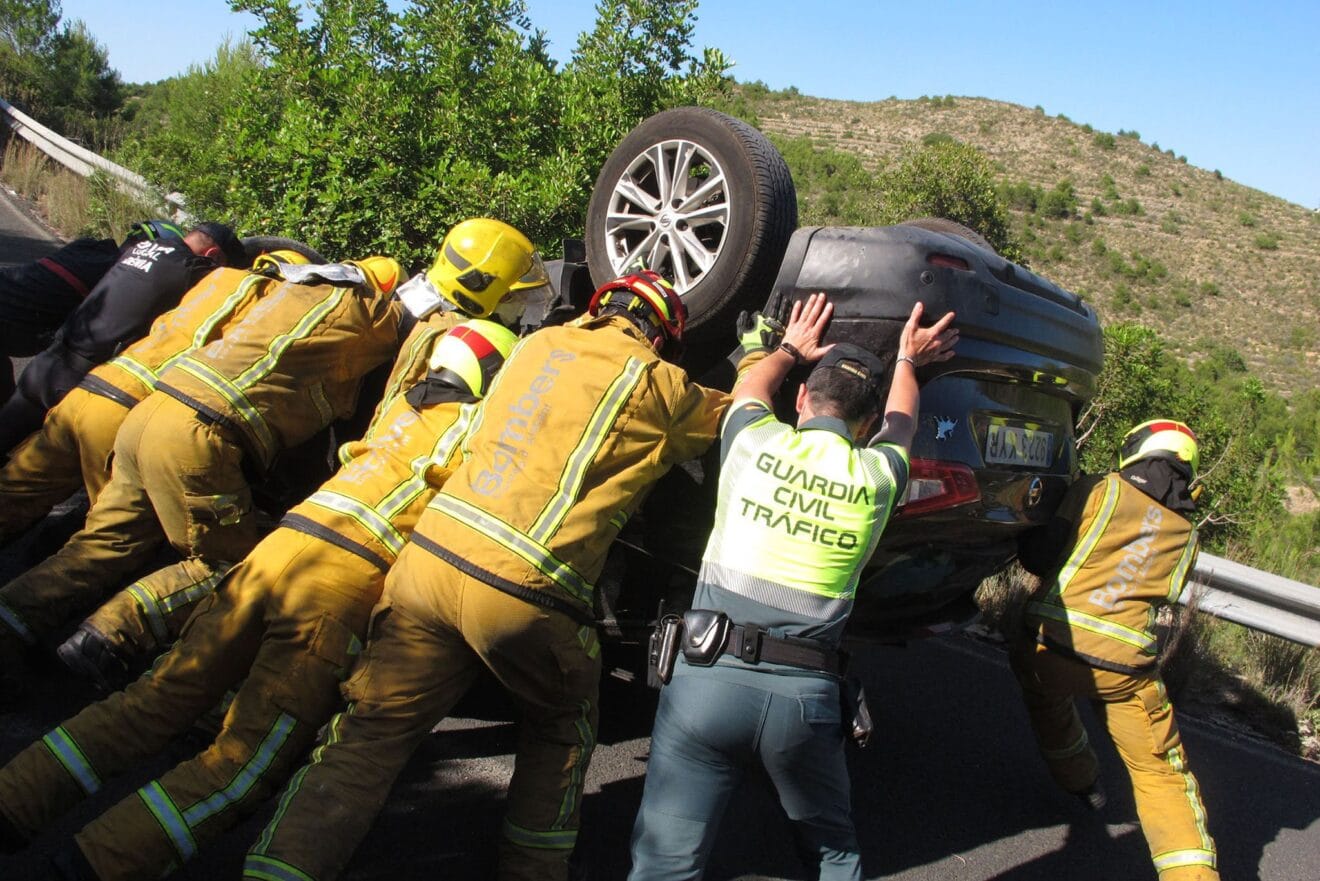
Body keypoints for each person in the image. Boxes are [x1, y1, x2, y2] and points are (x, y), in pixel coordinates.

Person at [0, 299, 528, 880]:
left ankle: (13, 803)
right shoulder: (482, 447)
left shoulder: (405, 406)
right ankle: (93, 865)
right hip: (337, 587)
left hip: (282, 548)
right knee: (240, 769)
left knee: (150, 703)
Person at [242, 269, 731, 881]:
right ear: (661, 337)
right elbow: (734, 420)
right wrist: (773, 351)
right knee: (560, 725)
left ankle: (278, 870)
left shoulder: (533, 347)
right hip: (526, 594)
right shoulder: (660, 383)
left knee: (370, 732)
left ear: (599, 307)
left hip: (428, 563)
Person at [625, 293, 957, 880]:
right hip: (804, 701)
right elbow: (902, 426)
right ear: (867, 427)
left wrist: (786, 348)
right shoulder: (878, 477)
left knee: (664, 864)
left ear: (801, 399)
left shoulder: (753, 442)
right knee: (833, 854)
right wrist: (909, 360)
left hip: (706, 681)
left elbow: (753, 385)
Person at [0, 253, 404, 705]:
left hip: (150, 410)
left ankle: (10, 623)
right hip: (198, 436)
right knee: (232, 563)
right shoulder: (365, 313)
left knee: (106, 541)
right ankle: (107, 637)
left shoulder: (282, 297)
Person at [1008, 418, 1218, 881]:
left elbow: (1039, 556)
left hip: (1048, 645)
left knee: (1044, 695)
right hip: (1125, 670)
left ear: (1138, 449)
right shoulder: (1187, 533)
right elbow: (1164, 594)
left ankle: (1081, 780)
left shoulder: (1101, 489)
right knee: (1161, 773)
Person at [0, 249, 310, 549]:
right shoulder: (269, 309)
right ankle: (35, 579)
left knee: (16, 490)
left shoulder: (216, 280)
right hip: (129, 409)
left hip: (90, 387)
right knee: (107, 531)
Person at [0, 220, 247, 458]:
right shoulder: (192, 268)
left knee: (7, 437)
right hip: (78, 380)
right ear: (213, 255)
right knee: (50, 471)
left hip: (49, 362)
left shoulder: (137, 249)